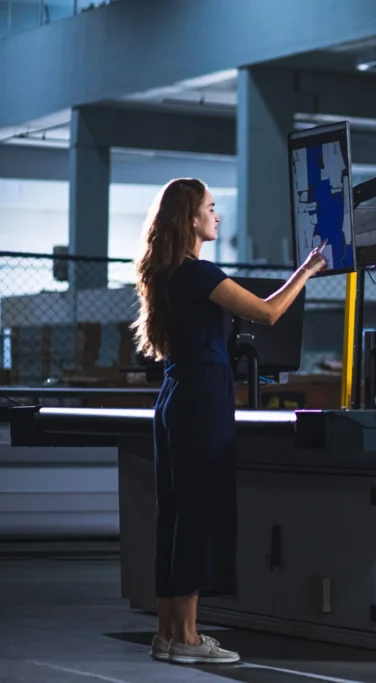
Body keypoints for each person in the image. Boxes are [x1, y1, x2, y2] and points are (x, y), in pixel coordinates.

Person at [130, 178, 327, 665]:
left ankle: (168, 635)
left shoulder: (166, 273)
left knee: (175, 515)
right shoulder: (198, 274)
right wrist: (306, 270)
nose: (218, 217)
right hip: (203, 398)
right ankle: (191, 641)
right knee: (198, 514)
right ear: (190, 219)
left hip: (176, 396)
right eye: (211, 209)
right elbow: (268, 312)